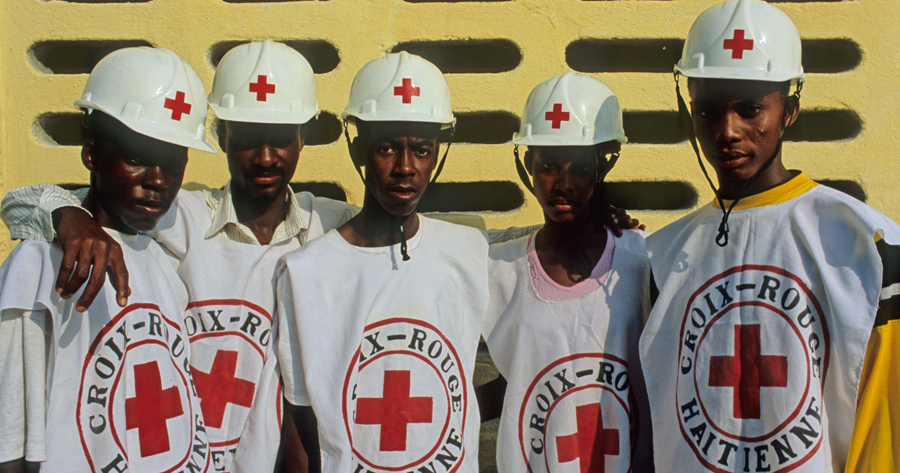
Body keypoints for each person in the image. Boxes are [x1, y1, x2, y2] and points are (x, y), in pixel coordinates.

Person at [0, 40, 357, 472]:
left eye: (282, 138)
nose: (265, 157)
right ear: (220, 134)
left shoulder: (335, 227)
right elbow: (35, 204)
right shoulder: (174, 220)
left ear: (304, 138)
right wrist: (66, 213)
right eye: (245, 137)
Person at [637, 0, 900, 471]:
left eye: (750, 108)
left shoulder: (868, 245)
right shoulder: (659, 255)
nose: (728, 131)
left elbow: (884, 430)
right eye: (708, 112)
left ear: (790, 111)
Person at [0, 47, 214, 472]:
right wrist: (65, 212)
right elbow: (10, 442)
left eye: (173, 163)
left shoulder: (163, 258)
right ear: (91, 151)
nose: (157, 181)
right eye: (136, 157)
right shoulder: (41, 265)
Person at [276, 51, 490, 472]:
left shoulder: (471, 251)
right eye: (388, 148)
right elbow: (300, 419)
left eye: (422, 150)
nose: (406, 168)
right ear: (358, 150)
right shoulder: (305, 272)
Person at [481, 72, 653, 472]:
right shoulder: (497, 269)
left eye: (580, 168)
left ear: (602, 166)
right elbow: (524, 378)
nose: (563, 183)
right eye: (549, 165)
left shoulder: (641, 261)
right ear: (527, 166)